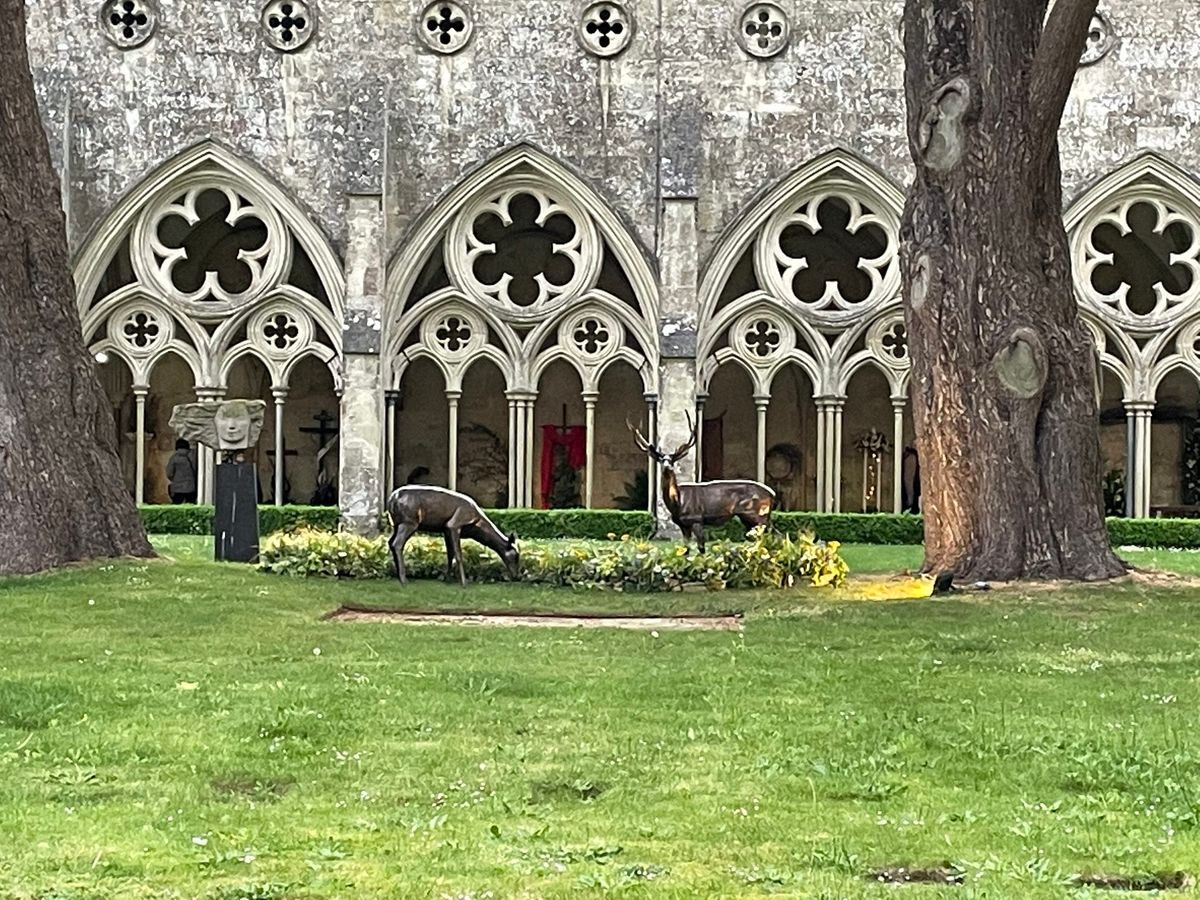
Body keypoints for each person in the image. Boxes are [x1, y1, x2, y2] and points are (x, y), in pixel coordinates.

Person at [166, 439, 198, 504]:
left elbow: (169, 473)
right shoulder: (192, 457)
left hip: (177, 488)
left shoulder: (174, 458)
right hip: (190, 487)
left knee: (176, 507)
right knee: (190, 507)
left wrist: (174, 480)